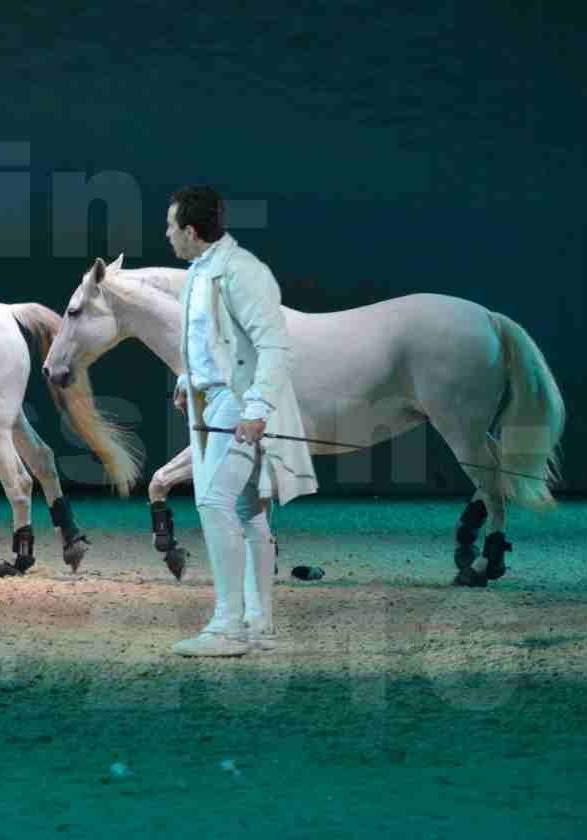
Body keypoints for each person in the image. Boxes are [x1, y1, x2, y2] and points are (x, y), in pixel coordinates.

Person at [166, 185, 317, 657]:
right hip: (211, 400)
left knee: (214, 502)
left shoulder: (244, 273)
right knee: (249, 510)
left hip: (238, 400)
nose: (167, 234)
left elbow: (273, 347)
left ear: (191, 231)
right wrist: (188, 378)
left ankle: (227, 626)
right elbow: (212, 339)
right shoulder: (199, 274)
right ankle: (258, 626)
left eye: (172, 226)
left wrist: (256, 410)